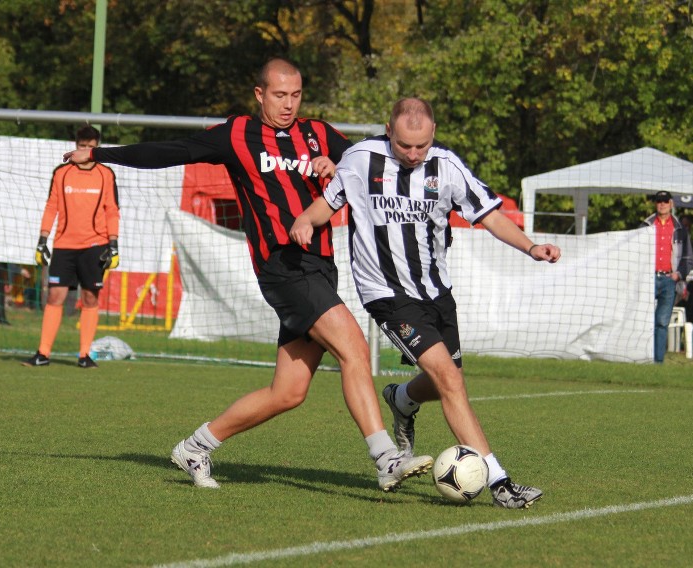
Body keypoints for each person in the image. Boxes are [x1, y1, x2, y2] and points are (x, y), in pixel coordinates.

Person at [62, 57, 432, 492]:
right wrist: (101, 154)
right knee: (353, 348)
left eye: (295, 95)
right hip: (282, 267)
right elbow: (172, 151)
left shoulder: (319, 134)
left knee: (289, 392)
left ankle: (195, 447)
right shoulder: (237, 134)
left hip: (320, 267)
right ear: (260, 94)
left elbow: (368, 156)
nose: (289, 104)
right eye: (279, 95)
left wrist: (338, 165)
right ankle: (386, 458)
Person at [290, 97, 561, 509]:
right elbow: (328, 204)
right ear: (388, 130)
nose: (414, 154)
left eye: (422, 145)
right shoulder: (361, 159)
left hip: (436, 292)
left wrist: (531, 246)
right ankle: (501, 483)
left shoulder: (447, 167)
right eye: (404, 146)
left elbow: (489, 214)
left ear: (433, 134)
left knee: (444, 381)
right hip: (385, 293)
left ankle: (402, 399)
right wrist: (306, 220)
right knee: (451, 382)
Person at [22, 125, 121, 369]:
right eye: (82, 146)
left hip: (95, 246)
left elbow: (112, 211)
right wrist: (42, 240)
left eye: (91, 146)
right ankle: (43, 353)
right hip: (64, 245)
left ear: (97, 147)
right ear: (76, 146)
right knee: (55, 295)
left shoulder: (106, 174)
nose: (86, 150)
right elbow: (51, 206)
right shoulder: (62, 172)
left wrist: (114, 243)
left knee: (89, 297)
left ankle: (84, 355)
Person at [641, 191, 691, 363]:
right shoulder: (645, 226)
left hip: (669, 280)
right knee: (642, 319)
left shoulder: (680, 229)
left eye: (664, 201)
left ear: (671, 203)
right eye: (658, 201)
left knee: (662, 322)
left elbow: (687, 258)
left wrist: (678, 275)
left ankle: (657, 361)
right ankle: (641, 357)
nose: (661, 204)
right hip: (648, 278)